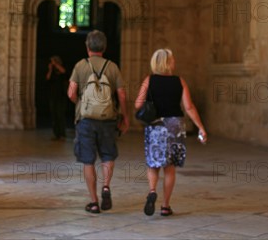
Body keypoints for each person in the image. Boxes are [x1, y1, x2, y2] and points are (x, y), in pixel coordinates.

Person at [134, 48, 208, 217]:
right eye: (172, 60)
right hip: (175, 125)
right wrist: (201, 127)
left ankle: (152, 191)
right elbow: (188, 107)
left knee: (153, 163)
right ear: (168, 63)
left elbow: (138, 104)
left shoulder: (149, 80)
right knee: (170, 166)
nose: (175, 62)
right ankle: (166, 206)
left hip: (156, 125)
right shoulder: (179, 81)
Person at [67, 30, 130, 214]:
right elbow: (122, 94)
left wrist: (80, 103)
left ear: (87, 47)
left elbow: (71, 93)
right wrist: (124, 116)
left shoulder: (80, 66)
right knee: (108, 155)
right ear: (104, 47)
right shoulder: (112, 67)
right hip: (108, 119)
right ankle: (106, 186)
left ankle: (94, 202)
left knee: (88, 160)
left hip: (85, 120)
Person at [46, 55, 68, 140]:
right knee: (54, 116)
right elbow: (47, 78)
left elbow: (64, 72)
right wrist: (50, 69)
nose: (52, 63)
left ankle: (62, 134)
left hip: (61, 96)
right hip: (53, 96)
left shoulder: (61, 69)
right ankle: (56, 134)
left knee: (60, 115)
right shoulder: (52, 71)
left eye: (53, 61)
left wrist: (56, 64)